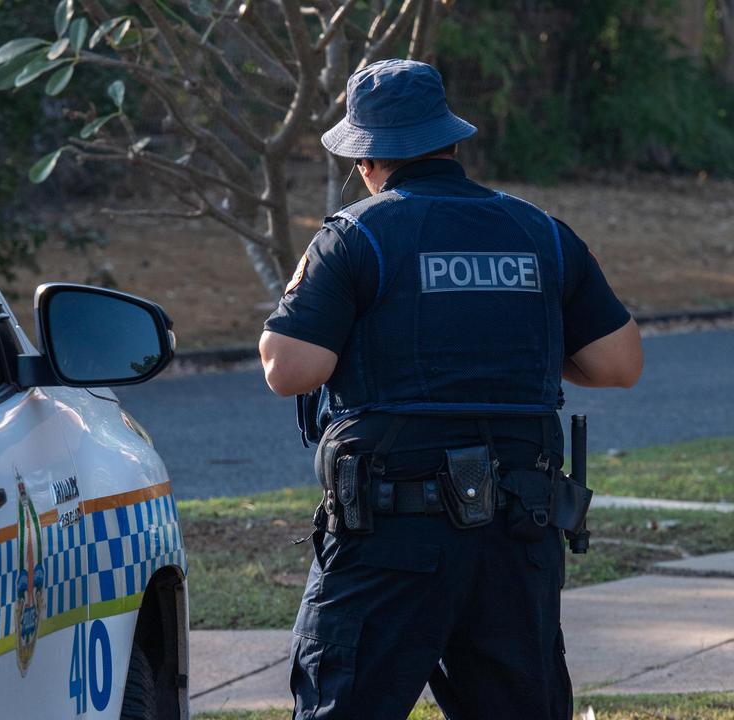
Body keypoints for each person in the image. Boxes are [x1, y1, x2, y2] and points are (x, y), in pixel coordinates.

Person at [260, 59, 643, 720]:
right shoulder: (542, 233)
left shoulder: (353, 237)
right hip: (518, 535)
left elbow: (288, 370)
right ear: (451, 143)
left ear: (367, 160)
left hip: (391, 540)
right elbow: (618, 363)